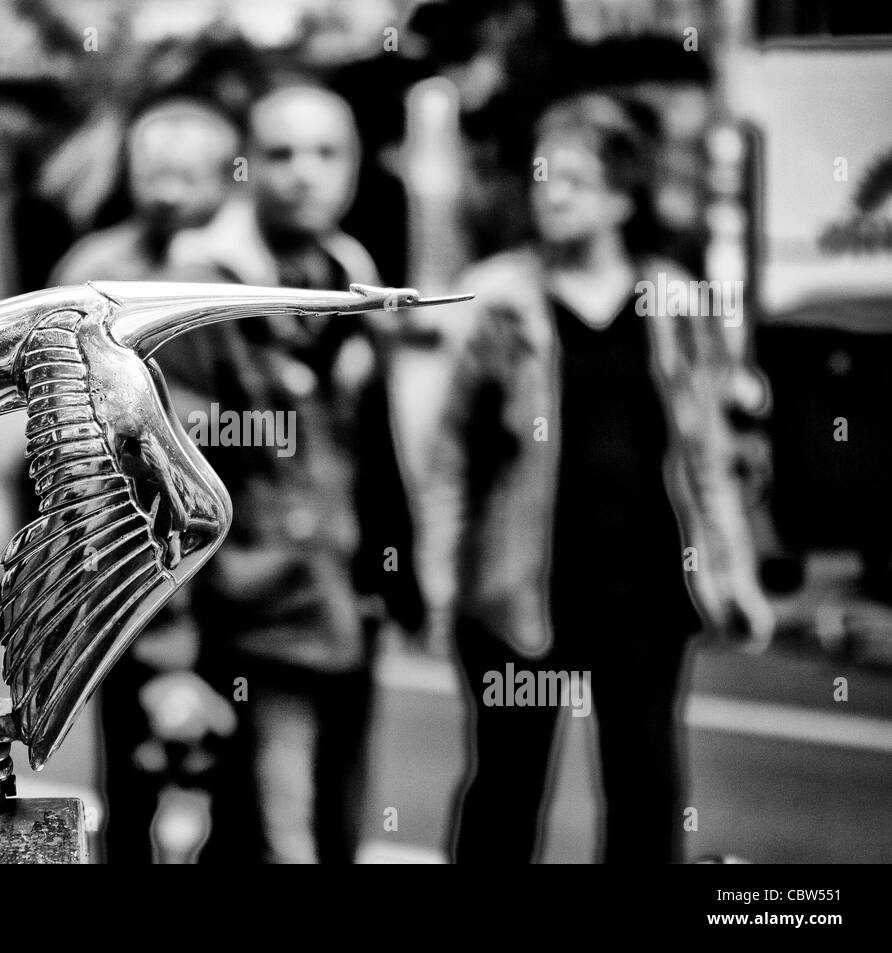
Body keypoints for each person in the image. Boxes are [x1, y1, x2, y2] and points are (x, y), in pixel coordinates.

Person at [429, 93, 773, 864]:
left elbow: (706, 457)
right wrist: (438, 580)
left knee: (645, 789)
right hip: (522, 589)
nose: (551, 192)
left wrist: (735, 575)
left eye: (576, 179)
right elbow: (451, 453)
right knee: (506, 790)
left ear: (622, 196)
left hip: (647, 591)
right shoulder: (496, 297)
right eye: (544, 175)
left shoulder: (674, 300)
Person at [153, 84, 425, 863]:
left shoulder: (348, 271)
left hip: (343, 611)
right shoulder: (202, 290)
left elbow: (373, 447)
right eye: (280, 153)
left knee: (335, 837)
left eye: (325, 152)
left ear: (353, 167)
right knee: (280, 842)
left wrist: (398, 582)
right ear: (247, 168)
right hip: (251, 623)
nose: (304, 172)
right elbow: (161, 485)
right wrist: (170, 662)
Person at [44, 97, 243, 864]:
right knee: (129, 785)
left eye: (189, 175)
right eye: (154, 173)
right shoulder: (91, 272)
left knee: (240, 800)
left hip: (237, 581)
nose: (168, 192)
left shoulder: (237, 275)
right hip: (120, 565)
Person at [50, 99, 241, 286]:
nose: (167, 196)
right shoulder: (93, 266)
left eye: (187, 179)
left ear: (226, 179)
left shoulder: (247, 260)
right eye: (153, 177)